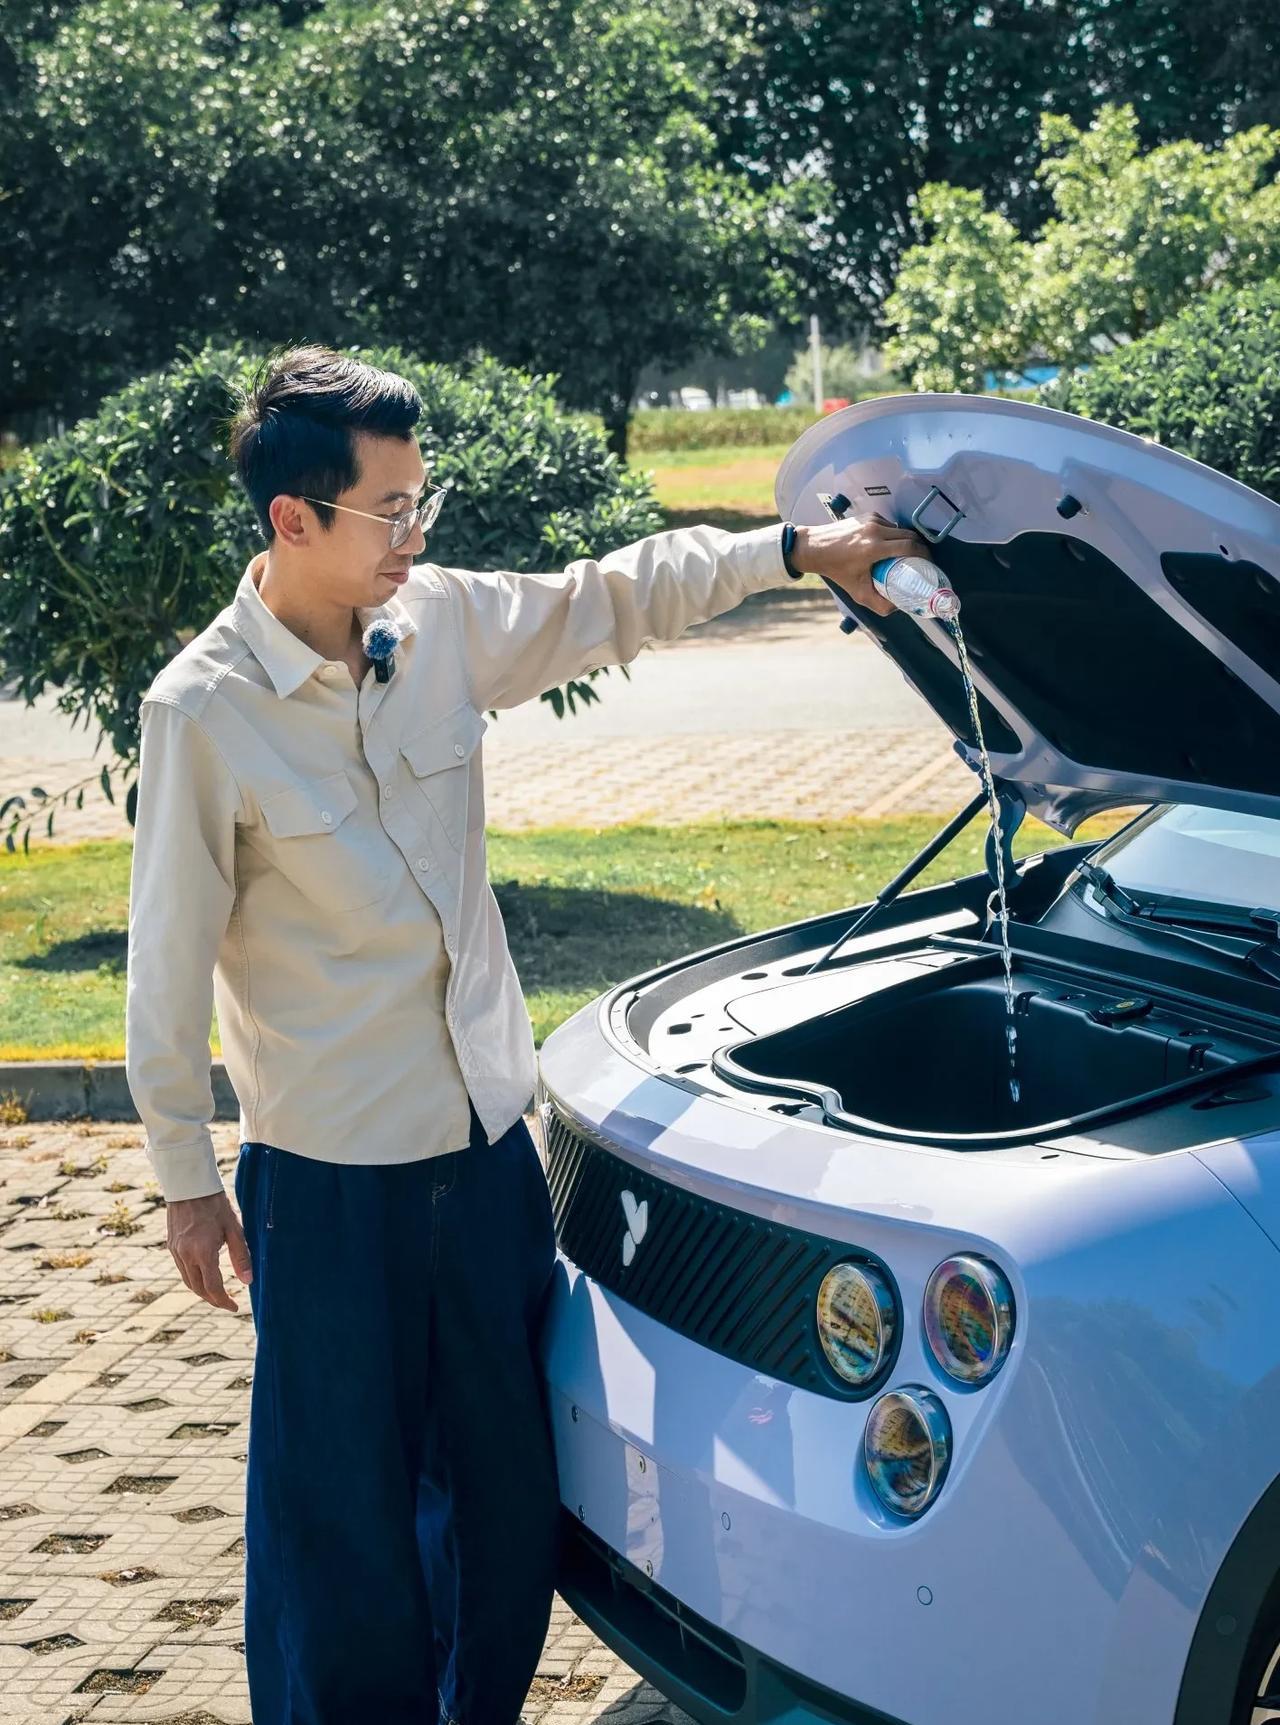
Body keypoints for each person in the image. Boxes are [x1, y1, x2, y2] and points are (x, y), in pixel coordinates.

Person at [123, 344, 925, 1725]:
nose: (415, 533)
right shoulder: (202, 709)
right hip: (332, 1185)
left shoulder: (435, 622)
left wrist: (794, 551)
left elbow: (611, 598)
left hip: (490, 1156)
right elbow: (166, 962)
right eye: (390, 509)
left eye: (421, 500)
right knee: (343, 1529)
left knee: (502, 1510)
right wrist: (186, 1178)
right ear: (292, 519)